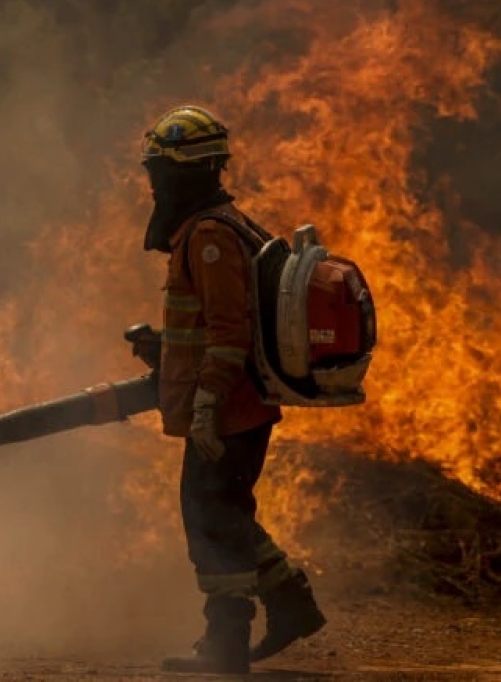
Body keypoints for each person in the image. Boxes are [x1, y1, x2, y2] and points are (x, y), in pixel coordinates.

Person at [141, 105, 327, 674]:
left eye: (158, 171)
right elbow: (209, 323)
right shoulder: (220, 224)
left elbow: (229, 331)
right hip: (238, 405)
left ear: (181, 174)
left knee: (210, 517)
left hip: (229, 411)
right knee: (226, 511)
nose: (152, 183)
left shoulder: (211, 237)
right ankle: (290, 602)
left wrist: (206, 402)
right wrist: (164, 348)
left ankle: (226, 646)